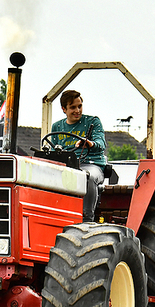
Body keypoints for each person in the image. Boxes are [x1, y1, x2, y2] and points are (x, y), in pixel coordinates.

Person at [51, 90, 107, 222]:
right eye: (73, 107)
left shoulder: (92, 122)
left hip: (91, 164)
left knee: (88, 176)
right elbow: (53, 151)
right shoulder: (57, 126)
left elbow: (101, 143)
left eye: (79, 106)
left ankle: (87, 219)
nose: (77, 110)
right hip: (68, 165)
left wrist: (89, 143)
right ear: (64, 109)